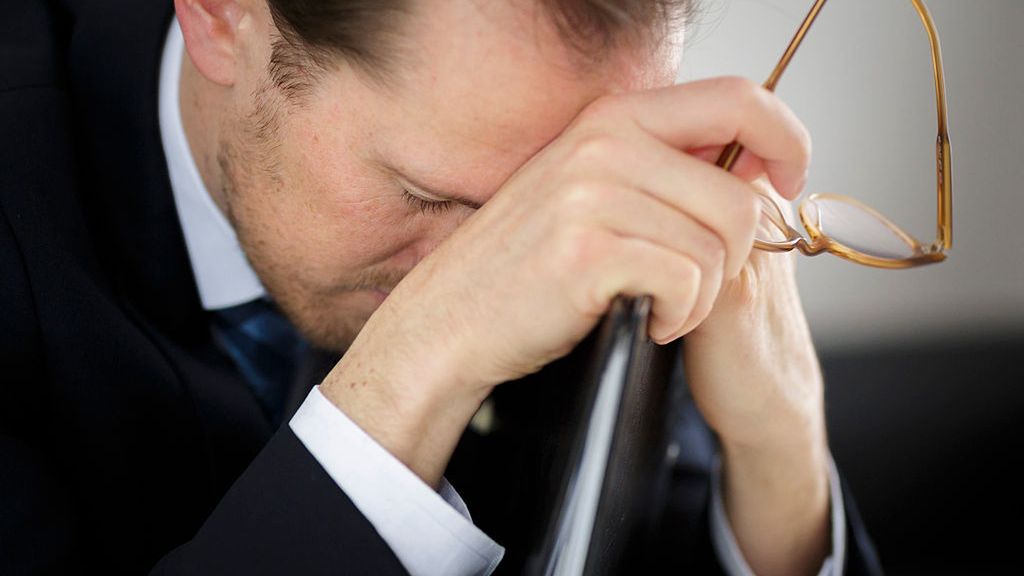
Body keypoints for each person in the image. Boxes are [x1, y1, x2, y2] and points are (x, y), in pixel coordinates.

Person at [0, 0, 882, 574]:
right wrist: (417, 367)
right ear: (226, 17)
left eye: (546, 202)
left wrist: (780, 438)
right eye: (427, 195)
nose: (505, 264)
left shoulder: (591, 227)